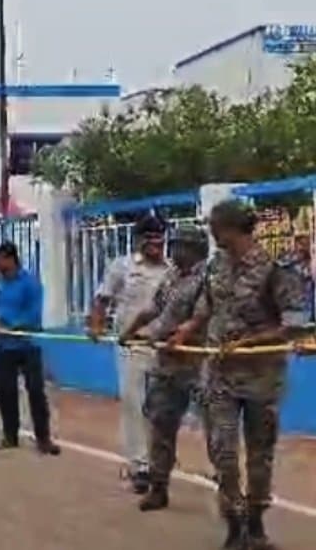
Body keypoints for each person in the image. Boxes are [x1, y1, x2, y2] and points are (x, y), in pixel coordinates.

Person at [169, 201, 311, 548]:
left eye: (214, 225)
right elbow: (205, 308)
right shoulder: (215, 266)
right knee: (223, 451)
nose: (211, 231)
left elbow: (294, 325)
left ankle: (257, 523)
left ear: (232, 228)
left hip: (262, 377)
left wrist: (252, 340)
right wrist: (184, 330)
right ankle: (233, 523)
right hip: (219, 375)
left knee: (260, 454)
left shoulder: (274, 270)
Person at [120, 224, 209, 513]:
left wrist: (175, 337)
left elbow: (198, 318)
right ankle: (159, 488)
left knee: (218, 427)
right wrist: (131, 329)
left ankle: (229, 490)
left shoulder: (208, 278)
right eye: (176, 243)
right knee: (160, 425)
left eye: (183, 245)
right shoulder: (171, 276)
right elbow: (152, 309)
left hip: (199, 364)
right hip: (168, 365)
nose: (175, 249)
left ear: (197, 250)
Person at [88, 215, 170, 494]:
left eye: (160, 237)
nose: (156, 242)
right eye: (150, 237)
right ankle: (139, 466)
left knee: (160, 409)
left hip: (165, 348)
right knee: (134, 404)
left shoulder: (171, 270)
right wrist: (96, 325)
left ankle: (159, 461)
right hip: (131, 346)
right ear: (138, 240)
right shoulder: (122, 267)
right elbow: (102, 299)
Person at [0, 242, 60, 455]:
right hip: (4, 346)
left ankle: (43, 439)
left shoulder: (31, 283)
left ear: (10, 258)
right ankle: (10, 435)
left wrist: (11, 326)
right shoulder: (1, 285)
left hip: (28, 344)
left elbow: (33, 316)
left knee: (36, 391)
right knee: (5, 392)